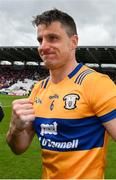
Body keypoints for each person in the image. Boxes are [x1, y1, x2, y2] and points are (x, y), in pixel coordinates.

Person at [6, 9, 116, 179]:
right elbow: (19, 148)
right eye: (40, 40)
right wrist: (15, 128)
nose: (43, 46)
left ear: (74, 42)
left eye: (53, 38)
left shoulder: (96, 84)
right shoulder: (37, 89)